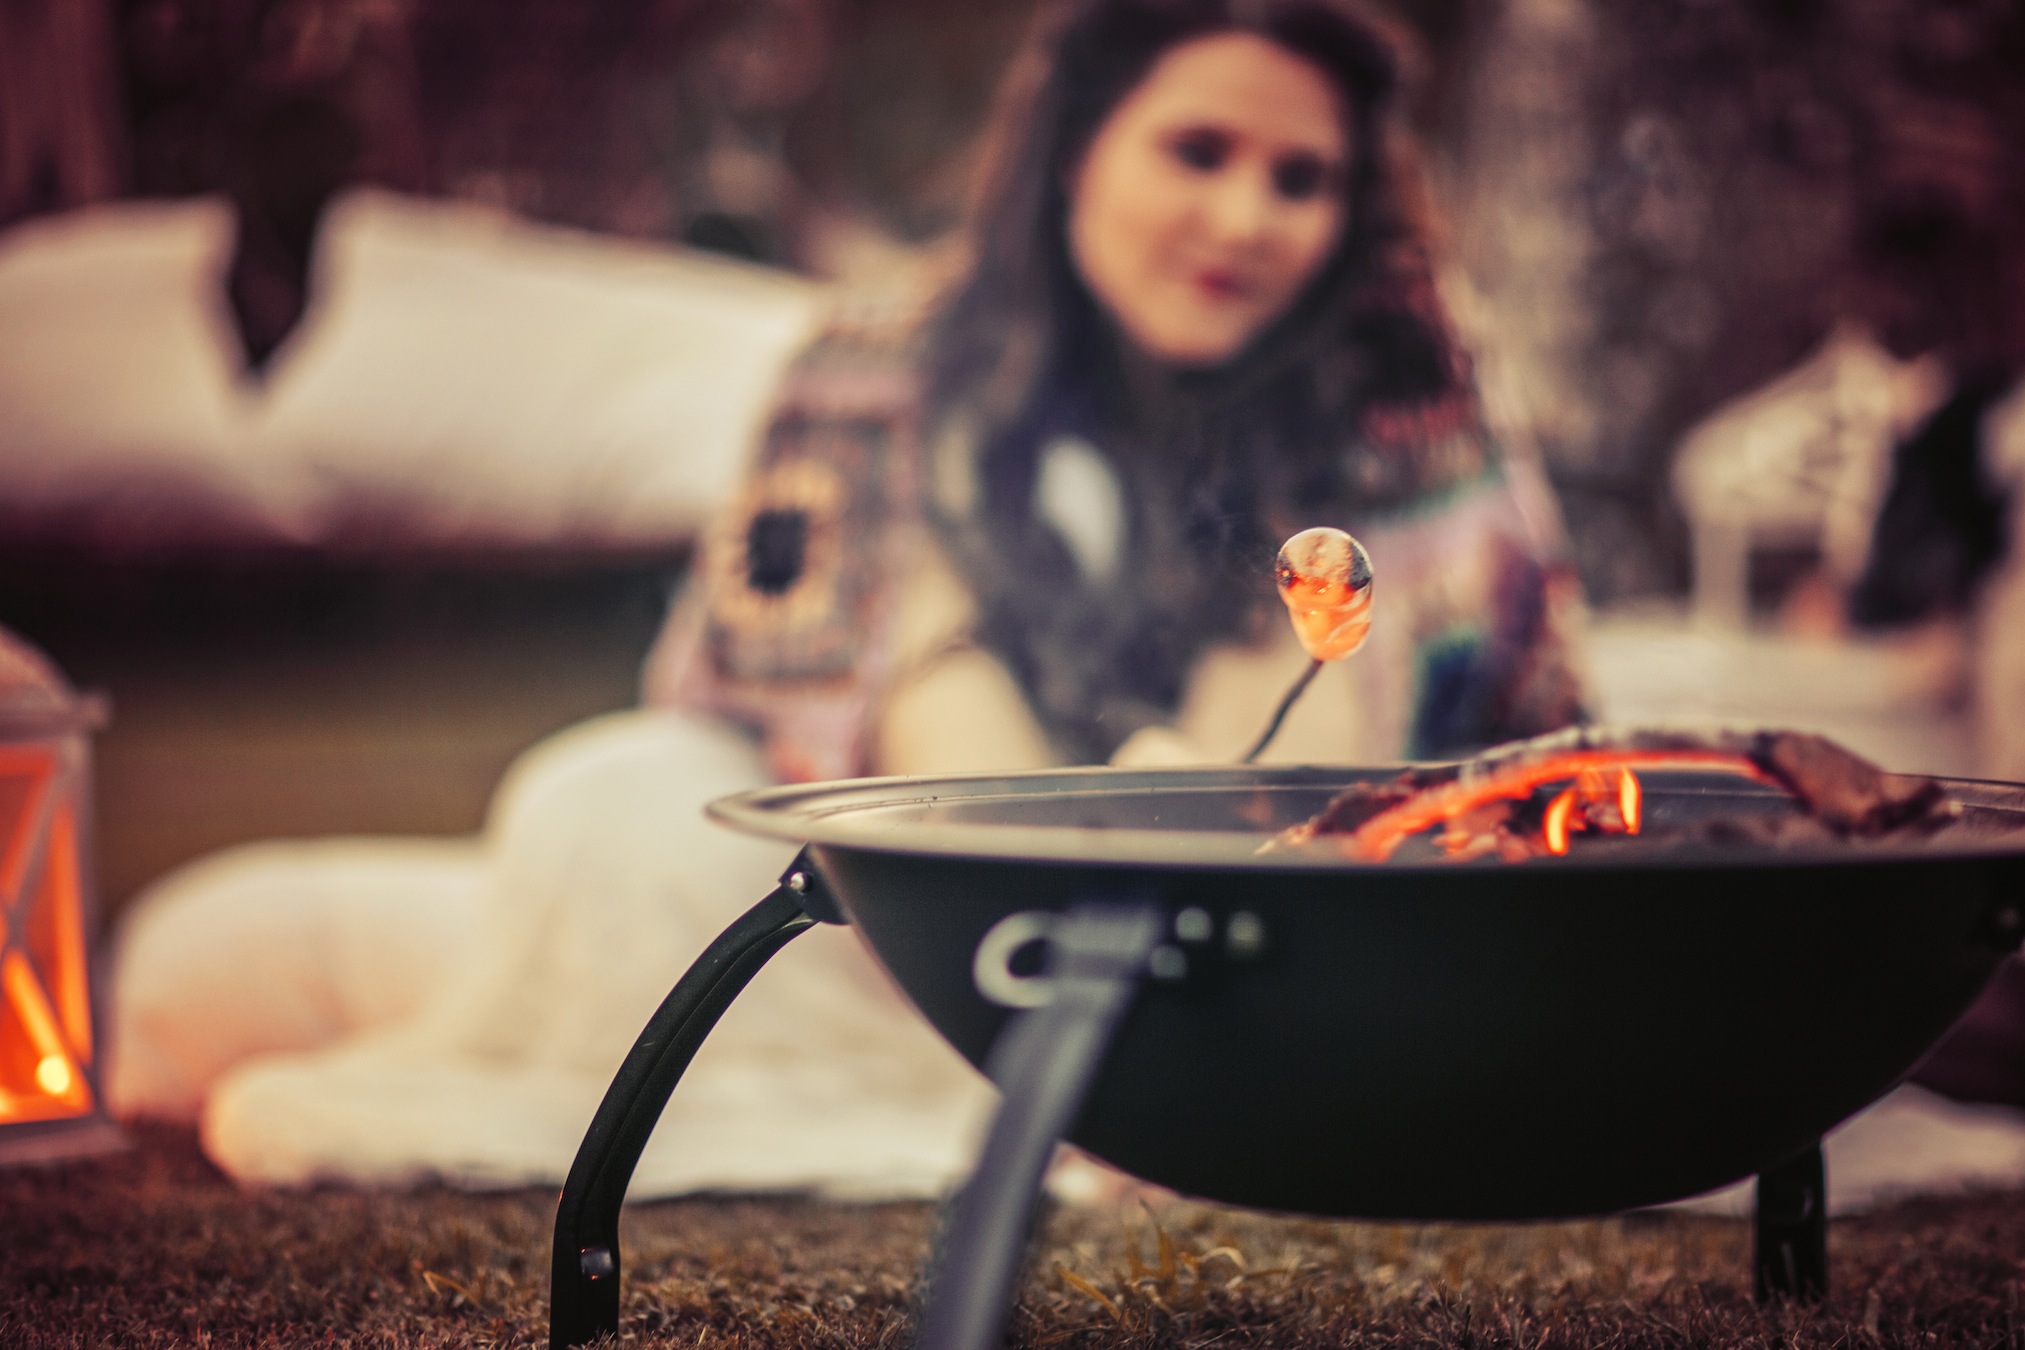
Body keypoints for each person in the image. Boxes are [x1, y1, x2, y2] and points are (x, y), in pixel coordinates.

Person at [108, 0, 1587, 1194]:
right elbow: (806, 709)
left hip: (1279, 931)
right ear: (1077, 152)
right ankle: (1068, 1077)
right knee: (586, 803)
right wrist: (1062, 893)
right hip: (918, 932)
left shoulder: (1399, 399)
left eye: (1299, 178)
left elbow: (1498, 732)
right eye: (1195, 151)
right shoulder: (886, 368)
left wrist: (1199, 842)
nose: (1244, 216)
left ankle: (1125, 1082)